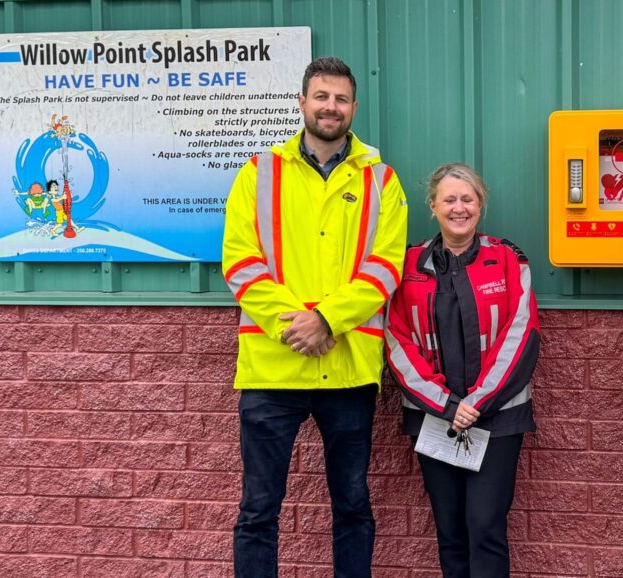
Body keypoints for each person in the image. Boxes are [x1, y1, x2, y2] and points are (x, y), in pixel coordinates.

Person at [222, 56, 408, 578]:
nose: (331, 107)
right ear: (302, 103)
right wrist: (298, 325)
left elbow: (385, 266)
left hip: (347, 370)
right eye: (321, 97)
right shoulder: (259, 173)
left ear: (353, 107)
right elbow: (239, 261)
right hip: (272, 366)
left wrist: (327, 320)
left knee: (352, 506)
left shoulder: (381, 180)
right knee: (258, 510)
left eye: (341, 99)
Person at [385, 162, 540, 578]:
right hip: (434, 418)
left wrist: (476, 402)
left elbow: (521, 335)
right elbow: (398, 340)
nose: (459, 208)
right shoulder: (409, 264)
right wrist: (446, 404)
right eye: (449, 199)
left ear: (480, 204)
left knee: (485, 527)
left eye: (467, 199)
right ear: (432, 205)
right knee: (450, 531)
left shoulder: (507, 259)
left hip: (497, 418)